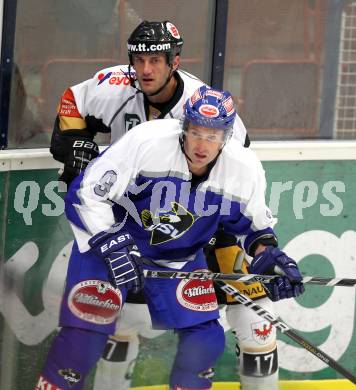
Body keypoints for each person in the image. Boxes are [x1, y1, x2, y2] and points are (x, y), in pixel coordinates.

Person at [48, 21, 282, 390]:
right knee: (110, 317)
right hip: (127, 212)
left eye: (155, 60)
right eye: (139, 60)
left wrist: (261, 242)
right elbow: (72, 102)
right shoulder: (115, 85)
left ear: (175, 61)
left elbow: (236, 180)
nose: (145, 70)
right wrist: (75, 144)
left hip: (200, 218)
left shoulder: (208, 106)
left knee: (253, 310)